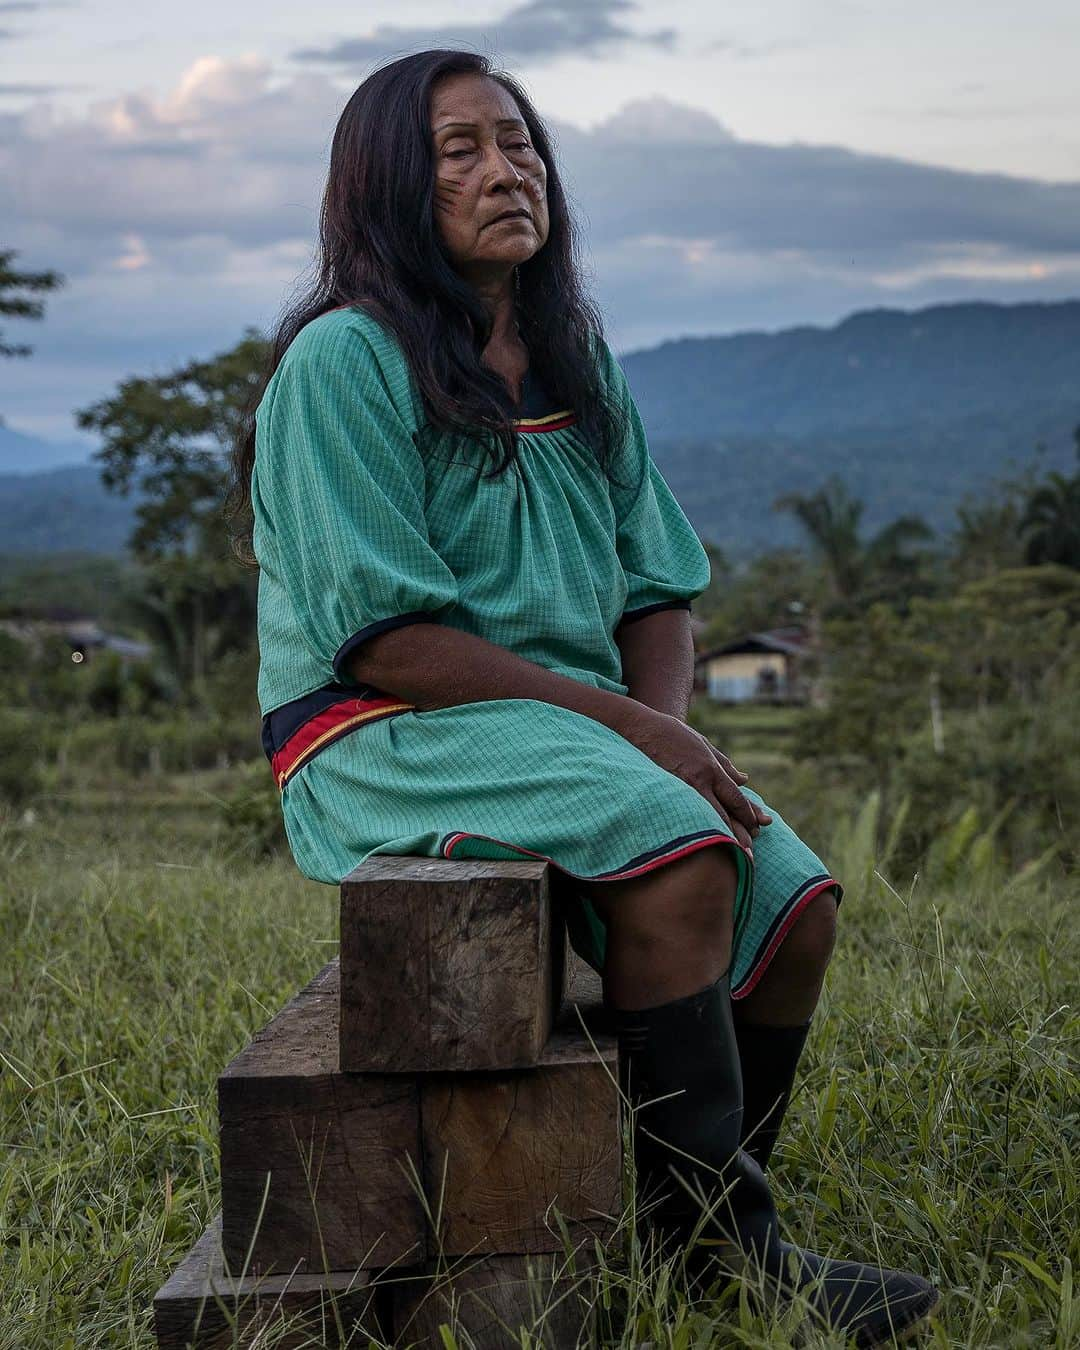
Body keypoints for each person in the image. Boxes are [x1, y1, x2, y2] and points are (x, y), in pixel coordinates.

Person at [229, 48, 940, 1347]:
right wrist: (637, 736)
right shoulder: (345, 362)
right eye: (462, 150)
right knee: (681, 864)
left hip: (566, 726)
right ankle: (730, 1258)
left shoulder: (572, 356)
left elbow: (656, 582)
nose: (510, 171)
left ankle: (695, 1216)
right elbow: (385, 635)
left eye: (522, 141)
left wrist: (663, 727)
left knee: (800, 903)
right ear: (390, 182)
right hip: (387, 729)